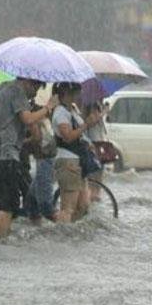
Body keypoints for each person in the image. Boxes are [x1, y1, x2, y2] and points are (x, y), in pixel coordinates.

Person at [0, 78, 59, 240]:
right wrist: (48, 107)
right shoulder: (17, 91)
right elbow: (28, 119)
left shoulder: (2, 86)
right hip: (6, 154)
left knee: (7, 202)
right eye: (37, 87)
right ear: (28, 82)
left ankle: (1, 238)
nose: (35, 93)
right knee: (9, 205)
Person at [52, 83, 100, 223]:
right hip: (68, 161)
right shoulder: (60, 112)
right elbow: (67, 137)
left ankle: (71, 236)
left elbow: (80, 134)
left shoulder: (72, 110)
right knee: (68, 208)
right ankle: (61, 235)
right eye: (77, 91)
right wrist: (86, 125)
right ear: (67, 92)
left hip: (79, 161)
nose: (79, 94)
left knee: (83, 205)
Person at [25, 101, 58, 224]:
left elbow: (37, 138)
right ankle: (36, 229)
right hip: (49, 159)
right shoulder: (47, 119)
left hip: (44, 160)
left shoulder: (35, 121)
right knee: (31, 201)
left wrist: (22, 143)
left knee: (46, 207)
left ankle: (65, 231)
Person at [84, 101, 109, 201]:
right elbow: (91, 121)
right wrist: (104, 112)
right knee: (94, 169)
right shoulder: (90, 104)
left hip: (100, 140)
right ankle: (91, 194)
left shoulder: (98, 104)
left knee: (100, 169)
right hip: (93, 140)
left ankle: (97, 193)